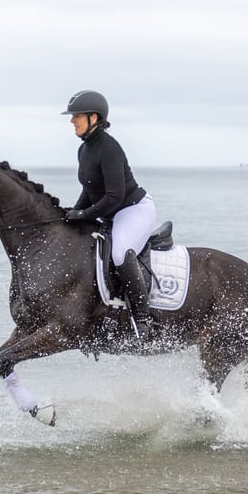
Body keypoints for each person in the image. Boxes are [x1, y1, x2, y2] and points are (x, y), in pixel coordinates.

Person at [61, 90, 157, 341]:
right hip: (111, 212)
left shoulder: (109, 148)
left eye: (76, 116)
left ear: (94, 117)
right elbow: (90, 188)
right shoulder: (84, 150)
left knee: (119, 253)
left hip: (133, 210)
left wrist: (84, 214)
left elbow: (115, 196)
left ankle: (143, 318)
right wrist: (73, 213)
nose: (72, 121)